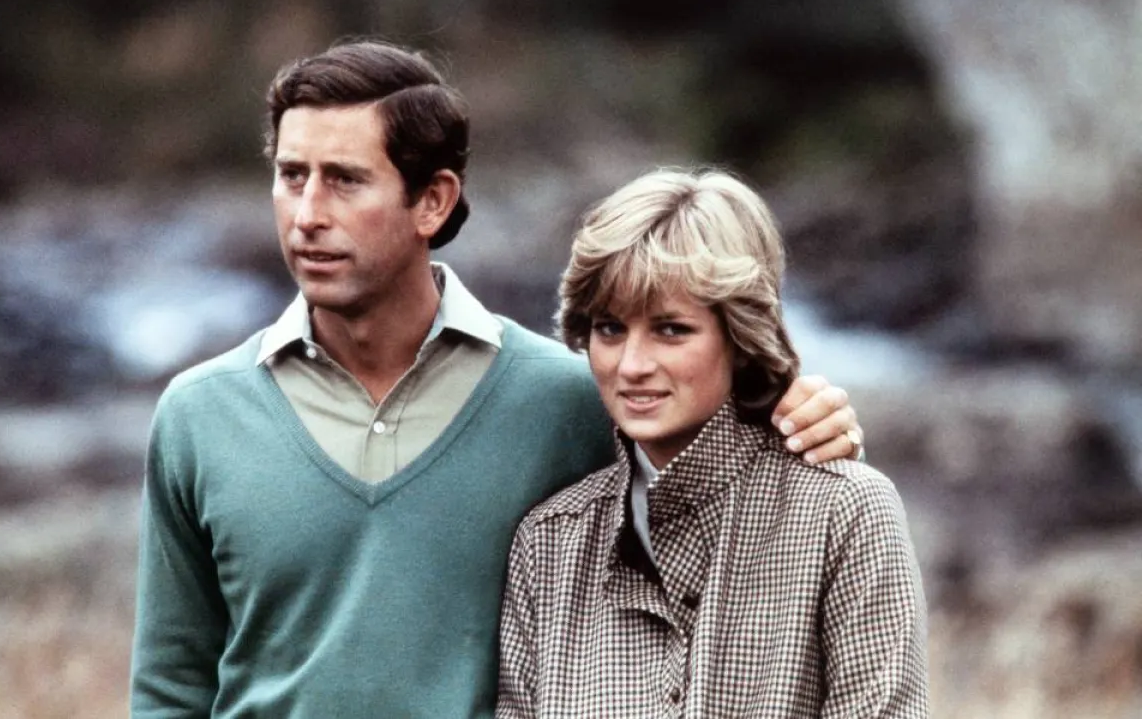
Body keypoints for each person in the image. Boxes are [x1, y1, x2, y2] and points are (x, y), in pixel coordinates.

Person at [129, 41, 865, 718]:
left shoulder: (570, 400)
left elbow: (719, 487)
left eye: (345, 181)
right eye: (292, 177)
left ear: (434, 200)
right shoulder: (198, 416)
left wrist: (792, 410)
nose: (308, 215)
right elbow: (171, 687)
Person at [496, 168, 928, 717]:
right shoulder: (549, 544)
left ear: (741, 336)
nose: (631, 366)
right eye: (609, 328)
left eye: (671, 329)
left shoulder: (846, 512)